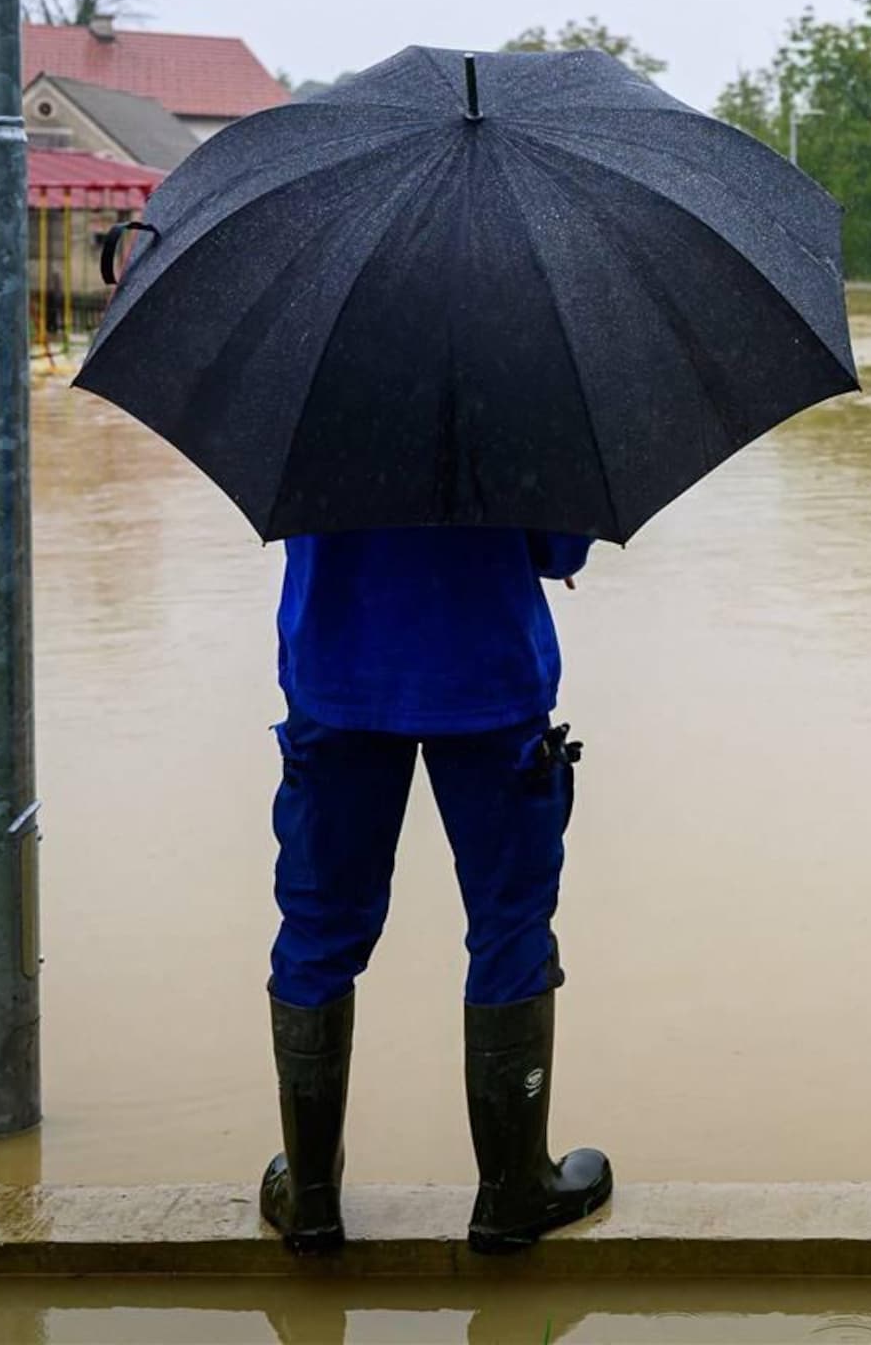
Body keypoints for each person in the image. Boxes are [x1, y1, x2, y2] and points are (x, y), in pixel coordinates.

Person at [258, 526, 611, 1257]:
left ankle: (313, 1200)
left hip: (338, 674)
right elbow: (559, 546)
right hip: (488, 676)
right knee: (509, 926)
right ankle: (513, 1192)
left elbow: (289, 512)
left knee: (318, 930)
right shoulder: (518, 409)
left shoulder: (309, 412)